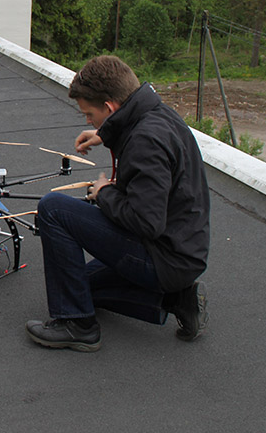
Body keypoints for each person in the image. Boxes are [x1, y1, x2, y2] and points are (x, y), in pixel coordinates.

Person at [26, 55, 209, 351]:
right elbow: (130, 128)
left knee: (53, 208)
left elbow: (146, 222)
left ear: (109, 107)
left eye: (89, 114)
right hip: (183, 251)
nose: (87, 120)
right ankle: (177, 299)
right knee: (78, 284)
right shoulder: (158, 115)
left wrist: (104, 192)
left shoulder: (145, 142)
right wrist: (104, 133)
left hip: (162, 255)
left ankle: (78, 325)